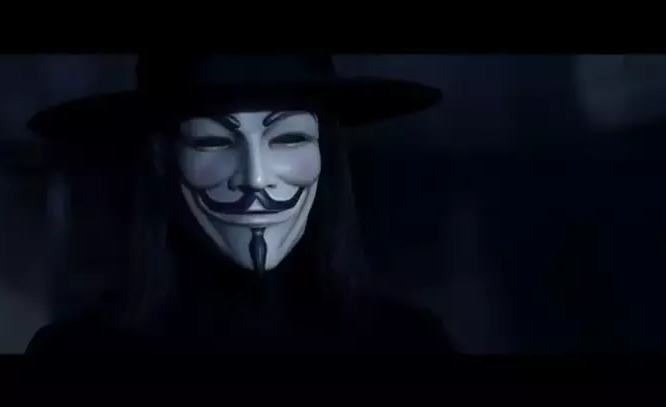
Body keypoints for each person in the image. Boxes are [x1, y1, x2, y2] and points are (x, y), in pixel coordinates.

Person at [25, 54, 453, 352]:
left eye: (289, 138)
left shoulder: (409, 347)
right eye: (212, 141)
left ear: (325, 154)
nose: (256, 178)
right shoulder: (78, 356)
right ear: (163, 160)